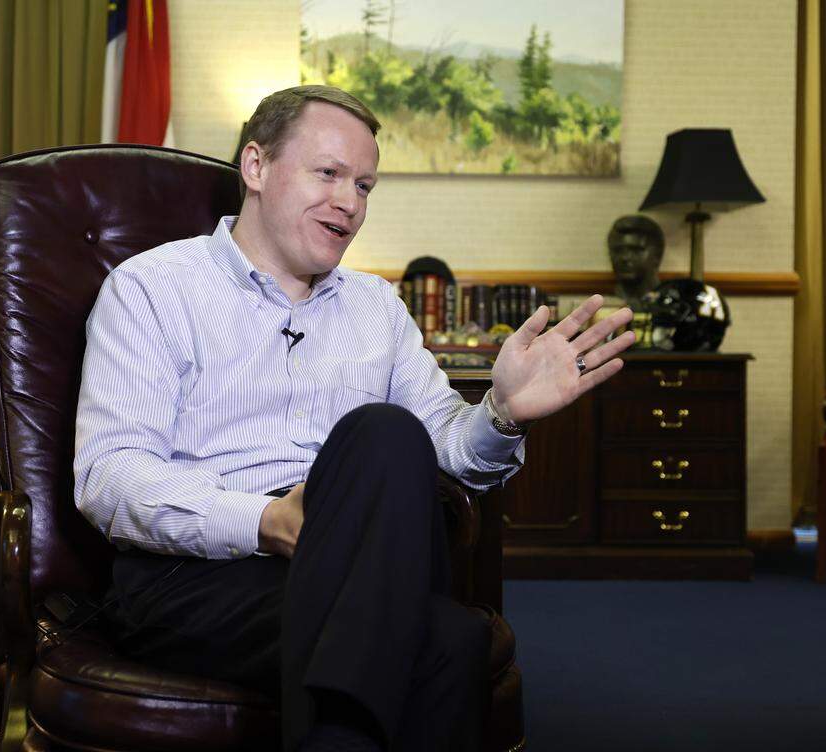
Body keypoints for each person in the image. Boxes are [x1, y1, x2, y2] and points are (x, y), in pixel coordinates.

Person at [73, 85, 635, 752]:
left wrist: (503, 413)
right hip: (197, 577)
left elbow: (450, 446)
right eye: (329, 173)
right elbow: (111, 477)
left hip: (357, 562)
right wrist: (268, 521)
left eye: (364, 185)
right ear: (256, 166)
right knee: (448, 641)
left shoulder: (376, 307)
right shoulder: (152, 288)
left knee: (386, 436)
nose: (350, 202)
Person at [607, 214, 666, 310]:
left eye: (636, 250)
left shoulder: (671, 305)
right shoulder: (603, 306)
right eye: (618, 250)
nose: (625, 257)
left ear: (657, 255)